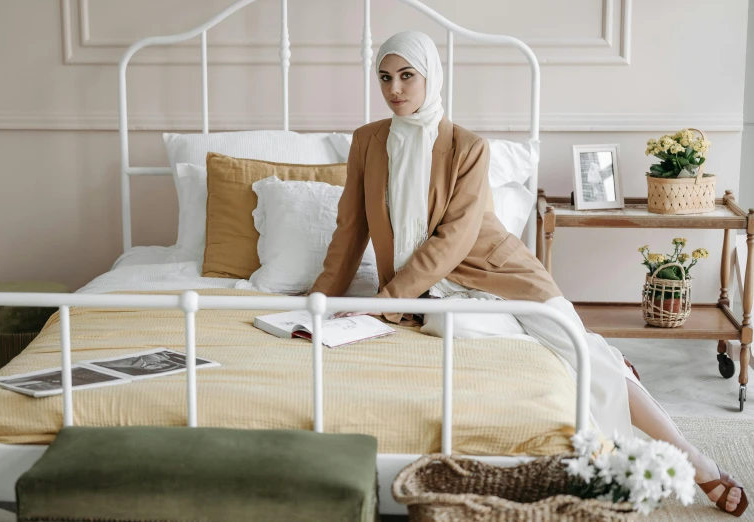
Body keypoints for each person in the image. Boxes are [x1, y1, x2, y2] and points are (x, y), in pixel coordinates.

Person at [308, 30, 747, 516]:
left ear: (430, 77)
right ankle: (622, 372)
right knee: (535, 350)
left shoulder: (467, 147)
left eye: (407, 76)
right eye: (385, 77)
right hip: (434, 298)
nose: (395, 89)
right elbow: (351, 230)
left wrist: (387, 301)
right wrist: (314, 304)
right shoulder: (368, 141)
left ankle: (694, 459)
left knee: (585, 355)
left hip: (500, 274)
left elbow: (453, 240)